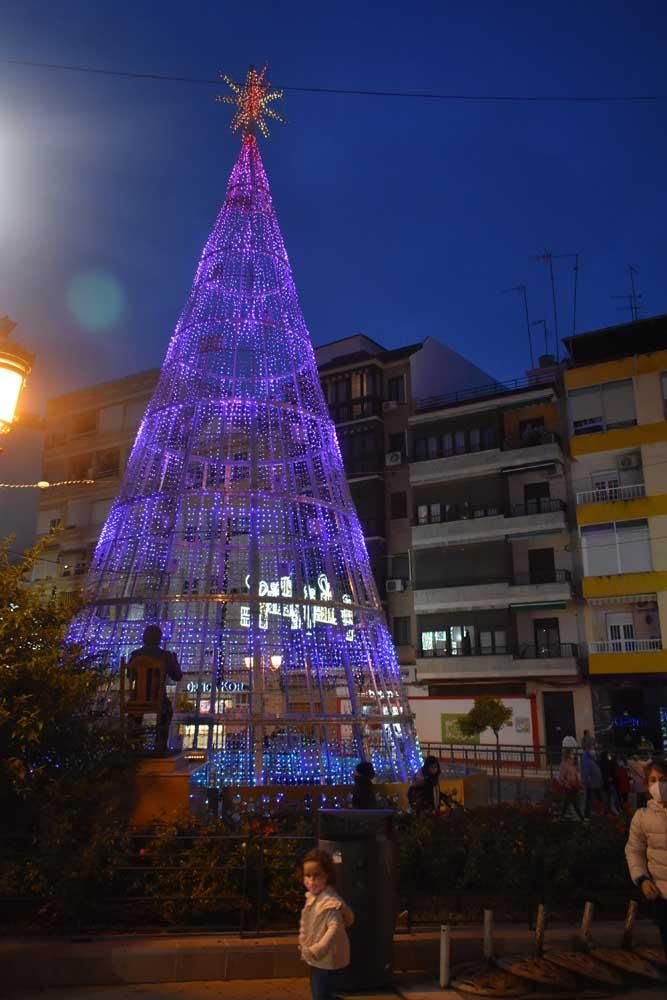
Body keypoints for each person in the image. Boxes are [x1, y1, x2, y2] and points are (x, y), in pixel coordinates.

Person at [299, 848, 354, 1000]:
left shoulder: (329, 902)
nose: (311, 880)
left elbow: (334, 928)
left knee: (321, 995)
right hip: (318, 958)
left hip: (326, 958)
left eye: (316, 875)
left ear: (327, 876)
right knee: (323, 993)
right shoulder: (315, 897)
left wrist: (318, 948)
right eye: (307, 875)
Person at [625, 758, 667, 956]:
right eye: (653, 780)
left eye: (663, 779)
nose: (658, 785)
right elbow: (634, 851)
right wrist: (642, 879)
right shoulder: (642, 817)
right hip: (661, 895)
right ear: (646, 784)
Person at [128, 625, 182, 752]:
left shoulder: (135, 655)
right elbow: (177, 676)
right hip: (159, 699)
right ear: (159, 639)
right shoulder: (165, 656)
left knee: (134, 713)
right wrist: (175, 661)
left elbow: (129, 676)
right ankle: (160, 744)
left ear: (144, 638)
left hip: (135, 700)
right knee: (167, 710)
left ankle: (134, 743)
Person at [557, 750, 583, 820]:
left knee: (568, 801)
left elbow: (575, 774)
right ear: (568, 755)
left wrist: (578, 783)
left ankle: (562, 816)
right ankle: (581, 817)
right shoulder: (564, 764)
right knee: (574, 802)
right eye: (571, 754)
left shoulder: (572, 763)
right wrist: (567, 783)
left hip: (573, 785)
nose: (573, 755)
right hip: (569, 786)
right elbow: (561, 777)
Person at [581, 747, 604, 819]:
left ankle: (593, 813)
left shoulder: (592, 759)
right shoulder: (587, 760)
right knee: (589, 799)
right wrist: (589, 780)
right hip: (591, 783)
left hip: (595, 783)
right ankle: (588, 814)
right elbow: (587, 771)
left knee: (594, 798)